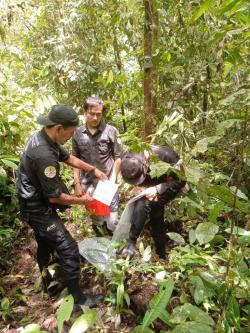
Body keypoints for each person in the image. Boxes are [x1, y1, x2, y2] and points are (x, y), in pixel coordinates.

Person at [16, 104, 107, 307]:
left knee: (45, 243)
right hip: (37, 208)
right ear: (59, 128)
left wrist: (93, 170)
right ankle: (78, 299)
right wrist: (83, 201)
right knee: (69, 248)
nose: (71, 136)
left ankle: (49, 283)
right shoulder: (44, 155)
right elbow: (55, 197)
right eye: (71, 132)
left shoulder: (46, 137)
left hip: (33, 201)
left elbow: (68, 158)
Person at [120, 145, 186, 259]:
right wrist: (138, 187)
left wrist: (157, 189)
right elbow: (136, 178)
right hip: (149, 183)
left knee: (152, 209)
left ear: (145, 162)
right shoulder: (128, 157)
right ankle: (157, 252)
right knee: (147, 207)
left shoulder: (167, 156)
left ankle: (156, 251)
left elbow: (181, 180)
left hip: (167, 183)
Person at [72, 96, 122, 234]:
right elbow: (75, 159)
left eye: (98, 114)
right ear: (85, 112)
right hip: (88, 184)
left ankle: (113, 247)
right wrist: (76, 183)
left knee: (112, 220)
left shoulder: (111, 131)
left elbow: (118, 158)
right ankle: (100, 245)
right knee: (97, 220)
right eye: (91, 114)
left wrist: (112, 181)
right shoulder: (77, 133)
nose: (95, 118)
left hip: (108, 182)